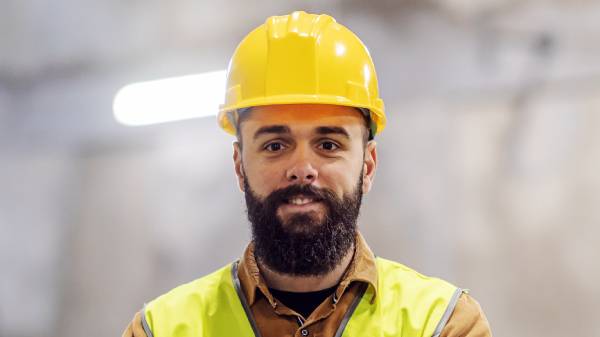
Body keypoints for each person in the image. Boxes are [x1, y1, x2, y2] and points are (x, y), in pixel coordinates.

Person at [122, 11, 492, 337]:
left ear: (367, 166)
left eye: (328, 144)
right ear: (239, 165)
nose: (302, 169)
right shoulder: (161, 329)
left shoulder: (443, 324)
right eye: (275, 145)